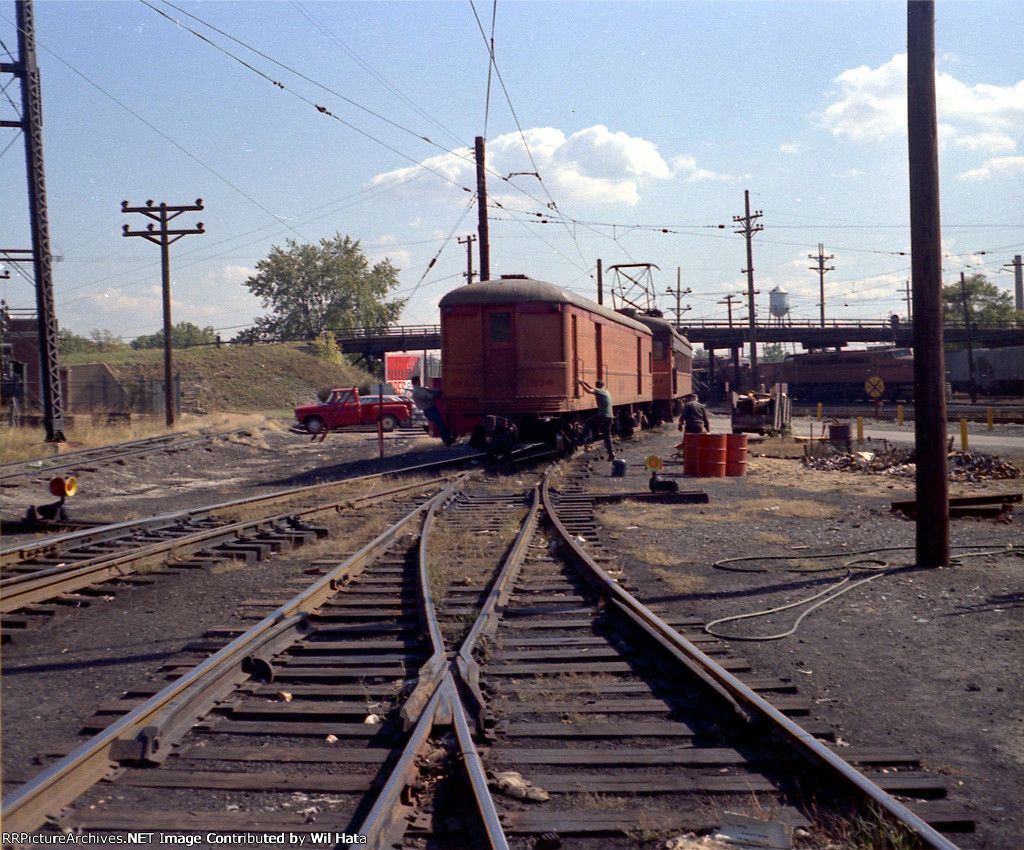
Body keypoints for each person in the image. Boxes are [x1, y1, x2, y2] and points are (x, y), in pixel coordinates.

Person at [410, 375, 454, 445]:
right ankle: (447, 440)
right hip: (429, 410)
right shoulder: (416, 391)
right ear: (417, 381)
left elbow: (430, 391)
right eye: (419, 380)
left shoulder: (420, 389)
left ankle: (447, 439)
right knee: (440, 424)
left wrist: (441, 390)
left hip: (431, 409)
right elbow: (427, 395)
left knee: (441, 423)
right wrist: (436, 394)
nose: (420, 381)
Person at [578, 378, 615, 461]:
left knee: (588, 422)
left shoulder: (599, 392)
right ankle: (611, 453)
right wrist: (586, 383)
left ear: (597, 386)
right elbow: (594, 389)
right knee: (607, 435)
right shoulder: (605, 391)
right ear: (603, 385)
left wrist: (581, 383)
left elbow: (589, 391)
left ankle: (581, 441)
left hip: (603, 416)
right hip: (610, 417)